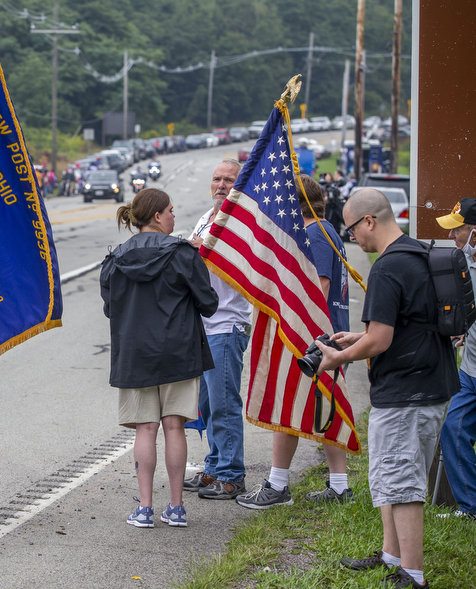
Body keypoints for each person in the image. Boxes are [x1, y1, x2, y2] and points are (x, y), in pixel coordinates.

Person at [316, 188, 460, 589]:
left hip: (405, 389)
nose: (351, 239)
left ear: (369, 221)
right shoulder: (416, 252)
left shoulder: (386, 268)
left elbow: (378, 340)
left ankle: (412, 575)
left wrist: (336, 358)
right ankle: (391, 555)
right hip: (430, 379)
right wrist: (352, 338)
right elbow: (402, 324)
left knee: (402, 479)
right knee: (391, 474)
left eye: (350, 229)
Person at [101, 188, 219, 528]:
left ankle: (145, 509)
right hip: (178, 352)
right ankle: (177, 508)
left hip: (135, 354)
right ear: (156, 216)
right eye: (170, 210)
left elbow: (111, 309)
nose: (173, 216)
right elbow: (208, 303)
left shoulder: (115, 259)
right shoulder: (183, 253)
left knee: (145, 429)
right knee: (174, 426)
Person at [236, 175, 352, 509]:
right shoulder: (326, 229)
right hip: (330, 337)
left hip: (315, 339)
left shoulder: (315, 232)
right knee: (326, 410)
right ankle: (339, 486)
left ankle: (278, 485)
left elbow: (319, 289)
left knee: (286, 406)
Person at [185, 159, 253, 499]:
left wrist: (197, 249)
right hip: (205, 326)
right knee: (209, 405)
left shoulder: (240, 222)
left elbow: (235, 263)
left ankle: (232, 474)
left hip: (228, 323)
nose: (221, 185)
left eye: (229, 179)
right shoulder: (206, 218)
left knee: (225, 405)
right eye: (217, 178)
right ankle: (213, 468)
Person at [436, 197, 476, 520]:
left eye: (458, 231)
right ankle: (470, 506)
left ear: (474, 232)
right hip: (470, 368)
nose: (453, 237)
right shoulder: (465, 261)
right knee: (454, 428)